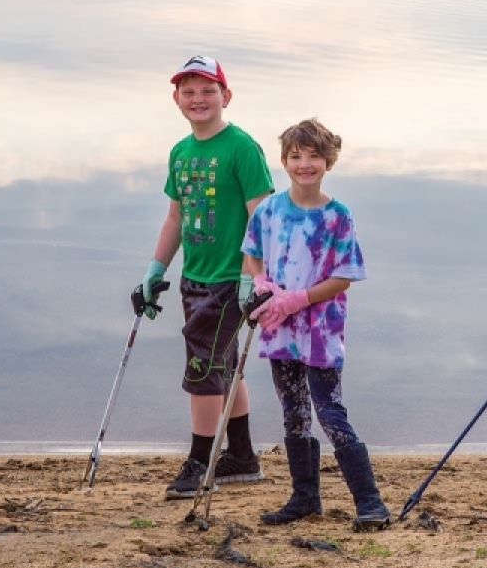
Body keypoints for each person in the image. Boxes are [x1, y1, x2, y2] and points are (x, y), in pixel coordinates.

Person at [240, 118, 391, 532]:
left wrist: (298, 298)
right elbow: (250, 252)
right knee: (294, 413)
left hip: (320, 331)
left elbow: (345, 276)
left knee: (329, 412)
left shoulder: (338, 216)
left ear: (328, 161)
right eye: (296, 156)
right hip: (279, 329)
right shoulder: (269, 209)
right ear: (284, 162)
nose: (304, 164)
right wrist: (260, 281)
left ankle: (370, 502)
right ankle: (305, 497)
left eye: (314, 157)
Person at [137, 55, 274, 500]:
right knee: (225, 366)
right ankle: (242, 456)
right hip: (193, 277)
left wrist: (253, 276)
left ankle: (199, 460)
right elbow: (175, 218)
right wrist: (155, 270)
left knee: (202, 371)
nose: (198, 99)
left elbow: (262, 217)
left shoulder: (241, 148)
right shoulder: (181, 153)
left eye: (207, 90)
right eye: (189, 92)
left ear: (225, 96)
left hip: (229, 280)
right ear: (177, 99)